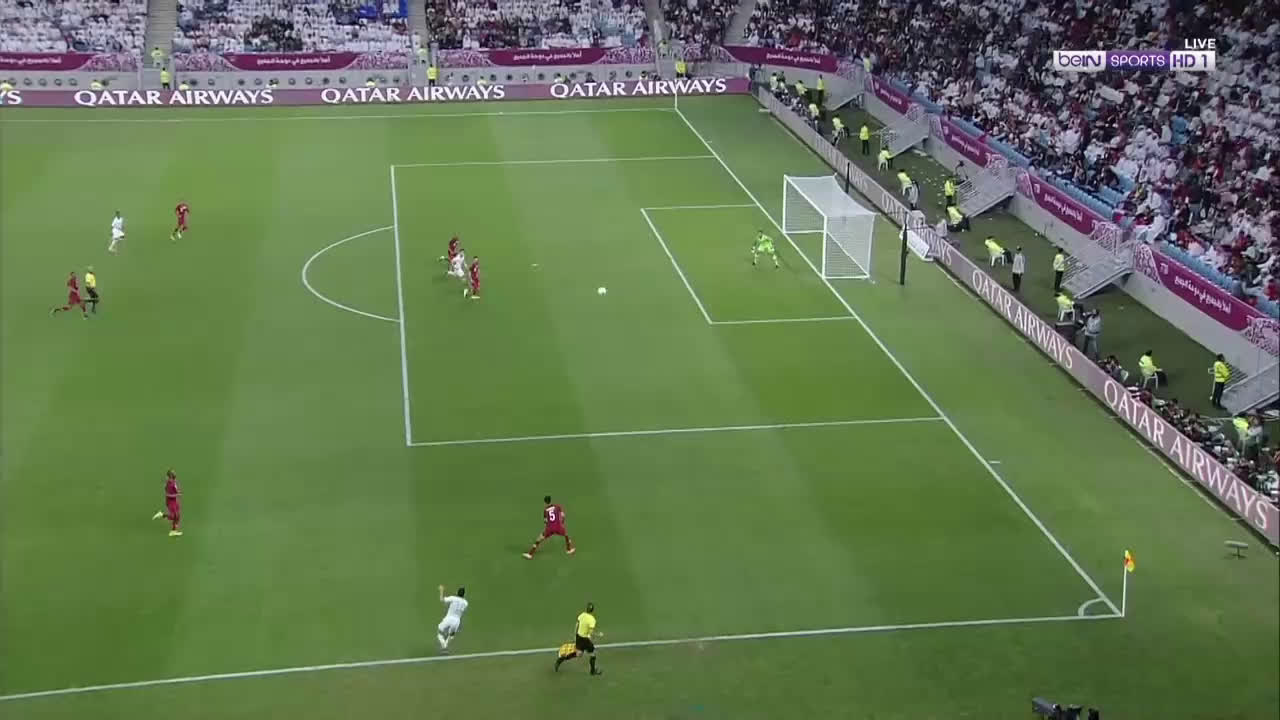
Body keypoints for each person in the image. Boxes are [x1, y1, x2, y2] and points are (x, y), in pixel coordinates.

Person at [555, 602, 602, 676]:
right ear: (592, 611)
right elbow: (591, 632)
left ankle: (560, 659)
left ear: (586, 609)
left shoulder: (582, 615)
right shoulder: (592, 620)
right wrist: (599, 634)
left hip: (579, 637)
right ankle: (592, 671)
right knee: (593, 654)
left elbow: (577, 625)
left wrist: (575, 634)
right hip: (585, 639)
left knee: (579, 654)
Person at [436, 585, 468, 652]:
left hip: (449, 618)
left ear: (457, 592)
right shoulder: (466, 603)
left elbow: (442, 599)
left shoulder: (453, 598)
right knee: (451, 635)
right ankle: (446, 646)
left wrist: (441, 590)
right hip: (457, 621)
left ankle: (444, 646)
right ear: (464, 594)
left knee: (439, 632)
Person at [151, 469, 182, 537]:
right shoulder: (169, 484)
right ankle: (161, 515)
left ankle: (173, 531)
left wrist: (177, 493)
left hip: (175, 501)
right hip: (170, 502)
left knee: (177, 516)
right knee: (173, 516)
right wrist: (177, 495)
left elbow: (175, 489)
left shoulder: (173, 482)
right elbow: (168, 495)